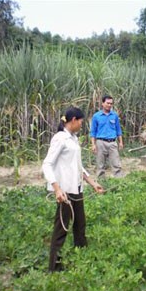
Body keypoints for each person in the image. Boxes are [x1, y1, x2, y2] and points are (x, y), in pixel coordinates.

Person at [42, 107, 104, 273]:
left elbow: (78, 166)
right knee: (61, 229)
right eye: (81, 122)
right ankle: (54, 268)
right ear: (74, 120)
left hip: (76, 189)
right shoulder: (60, 138)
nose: (82, 125)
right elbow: (46, 164)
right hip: (65, 192)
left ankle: (81, 257)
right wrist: (57, 189)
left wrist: (92, 182)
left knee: (80, 224)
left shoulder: (73, 138)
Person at [90, 95, 124, 178]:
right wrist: (93, 144)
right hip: (100, 142)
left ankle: (119, 181)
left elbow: (118, 130)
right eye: (107, 103)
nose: (109, 105)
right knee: (100, 164)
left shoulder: (114, 115)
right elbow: (93, 132)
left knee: (116, 164)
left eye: (111, 104)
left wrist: (121, 142)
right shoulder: (96, 116)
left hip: (112, 142)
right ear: (102, 103)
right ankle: (101, 183)